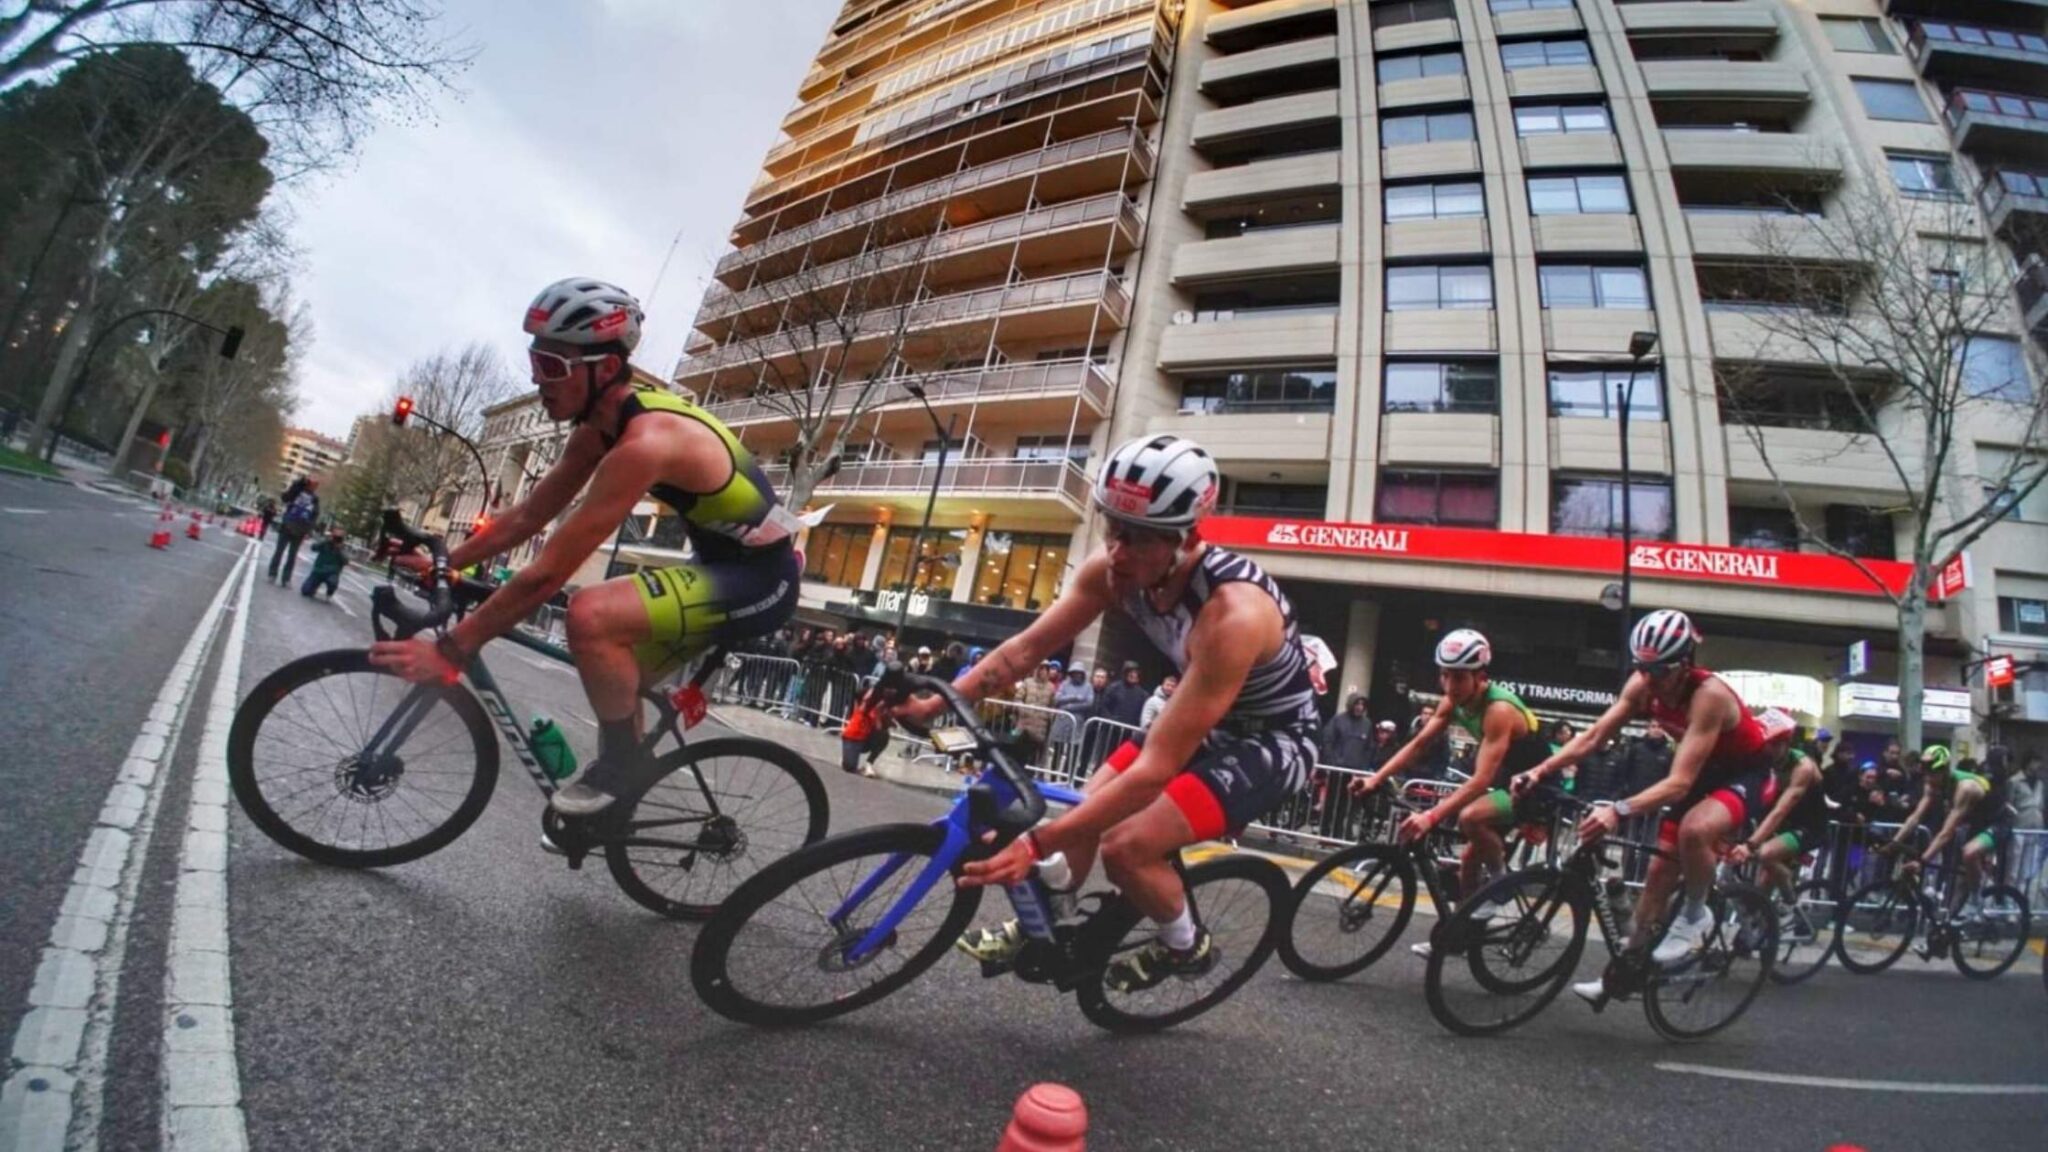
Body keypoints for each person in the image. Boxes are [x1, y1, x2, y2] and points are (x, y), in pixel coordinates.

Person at [368, 277, 801, 816]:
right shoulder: (599, 428)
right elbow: (527, 514)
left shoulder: (645, 444)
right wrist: (445, 561)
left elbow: (547, 575)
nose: (536, 377)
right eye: (535, 359)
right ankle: (616, 809)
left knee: (590, 613)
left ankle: (621, 772)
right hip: (716, 564)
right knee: (618, 680)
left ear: (605, 368)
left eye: (553, 366)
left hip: (761, 582)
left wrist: (453, 649)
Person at [903, 434, 1318, 990]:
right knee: (1089, 803)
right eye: (1111, 528)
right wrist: (934, 705)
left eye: (1139, 538)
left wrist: (1034, 844)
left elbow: (1154, 772)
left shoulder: (1233, 614)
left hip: (1274, 740)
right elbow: (1024, 651)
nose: (1117, 551)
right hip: (1206, 715)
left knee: (1126, 845)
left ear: (1185, 537)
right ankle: (1049, 917)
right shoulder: (1113, 569)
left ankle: (1185, 946)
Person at [1512, 608, 1795, 1001]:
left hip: (1745, 775)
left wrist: (1618, 809)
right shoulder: (1643, 682)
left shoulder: (1709, 696)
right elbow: (1594, 736)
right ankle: (1624, 972)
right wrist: (1540, 770)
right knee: (1659, 872)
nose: (1649, 680)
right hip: (1702, 773)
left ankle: (1696, 914)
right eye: (1642, 668)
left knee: (1696, 830)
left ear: (1684, 665)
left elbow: (1678, 783)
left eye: (1659, 671)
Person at [1354, 630, 1552, 956]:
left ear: (1480, 676)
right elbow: (1418, 745)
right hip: (1507, 777)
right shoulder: (1453, 700)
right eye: (1444, 675)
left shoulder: (1498, 710)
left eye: (1458, 677)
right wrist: (1375, 779)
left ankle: (1501, 885)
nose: (1449, 686)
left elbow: (1480, 779)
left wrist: (1431, 816)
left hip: (1537, 782)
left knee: (1471, 817)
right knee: (1468, 861)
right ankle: (1459, 933)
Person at [1881, 746, 2008, 921]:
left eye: (1932, 773)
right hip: (1973, 823)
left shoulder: (1966, 788)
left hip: (1997, 821)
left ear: (1944, 770)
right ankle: (1944, 932)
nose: (1928, 778)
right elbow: (1915, 817)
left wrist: (1922, 861)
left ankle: (1977, 900)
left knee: (1969, 852)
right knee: (1956, 888)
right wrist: (1892, 844)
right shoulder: (1931, 782)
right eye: (1925, 773)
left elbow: (1947, 832)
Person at [1727, 733, 1827, 912]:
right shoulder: (1762, 760)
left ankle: (1789, 894)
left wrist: (1750, 844)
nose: (1769, 750)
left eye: (1775, 745)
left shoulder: (1803, 766)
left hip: (1808, 825)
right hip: (1784, 823)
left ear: (1787, 744)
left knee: (1766, 854)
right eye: (1766, 745)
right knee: (1762, 887)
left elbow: (1780, 810)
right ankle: (1761, 929)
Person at [268, 477, 320, 585]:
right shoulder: (296, 491)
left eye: (316, 485)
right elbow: (285, 498)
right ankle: (272, 574)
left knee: (292, 555)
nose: (314, 487)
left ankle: (286, 579)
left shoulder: (315, 499)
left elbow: (314, 515)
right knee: (279, 552)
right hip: (287, 526)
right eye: (312, 484)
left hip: (300, 530)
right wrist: (298, 484)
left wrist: (309, 530)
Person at [1320, 694, 1374, 773]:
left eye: (1362, 704)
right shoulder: (1338, 720)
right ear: (1351, 704)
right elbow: (1327, 741)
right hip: (1337, 768)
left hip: (1357, 771)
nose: (1360, 707)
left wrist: (1364, 766)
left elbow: (1369, 747)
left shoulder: (1367, 724)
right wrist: (1331, 762)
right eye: (1357, 704)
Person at [299, 527, 350, 600]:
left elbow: (346, 561)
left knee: (332, 582)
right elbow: (313, 548)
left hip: (332, 573)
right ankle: (313, 588)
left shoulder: (343, 548)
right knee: (305, 591)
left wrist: (339, 550)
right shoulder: (325, 543)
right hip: (318, 570)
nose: (336, 539)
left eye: (339, 537)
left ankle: (330, 592)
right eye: (335, 536)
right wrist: (325, 541)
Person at [1099, 661, 1150, 728]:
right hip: (1111, 729)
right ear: (1125, 673)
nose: (1133, 675)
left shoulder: (1142, 694)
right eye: (1130, 672)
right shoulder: (1114, 688)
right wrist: (1110, 721)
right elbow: (1103, 706)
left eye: (1135, 673)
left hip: (1130, 730)